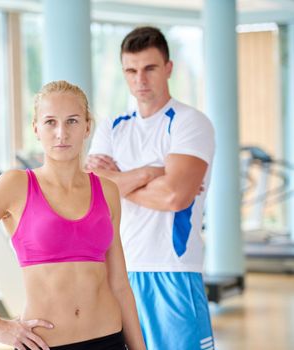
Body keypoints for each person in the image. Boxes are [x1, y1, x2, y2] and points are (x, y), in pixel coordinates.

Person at [0, 80, 146, 350]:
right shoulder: (14, 185)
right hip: (45, 344)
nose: (61, 133)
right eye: (50, 122)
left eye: (72, 121)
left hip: (109, 338)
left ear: (87, 126)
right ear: (36, 128)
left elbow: (120, 285)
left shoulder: (107, 190)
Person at [86, 26, 215, 350]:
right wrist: (150, 172)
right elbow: (91, 191)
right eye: (131, 70)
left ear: (168, 68)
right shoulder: (112, 127)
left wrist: (118, 180)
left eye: (149, 68)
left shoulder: (189, 122)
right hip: (117, 272)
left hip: (171, 270)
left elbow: (175, 196)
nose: (139, 80)